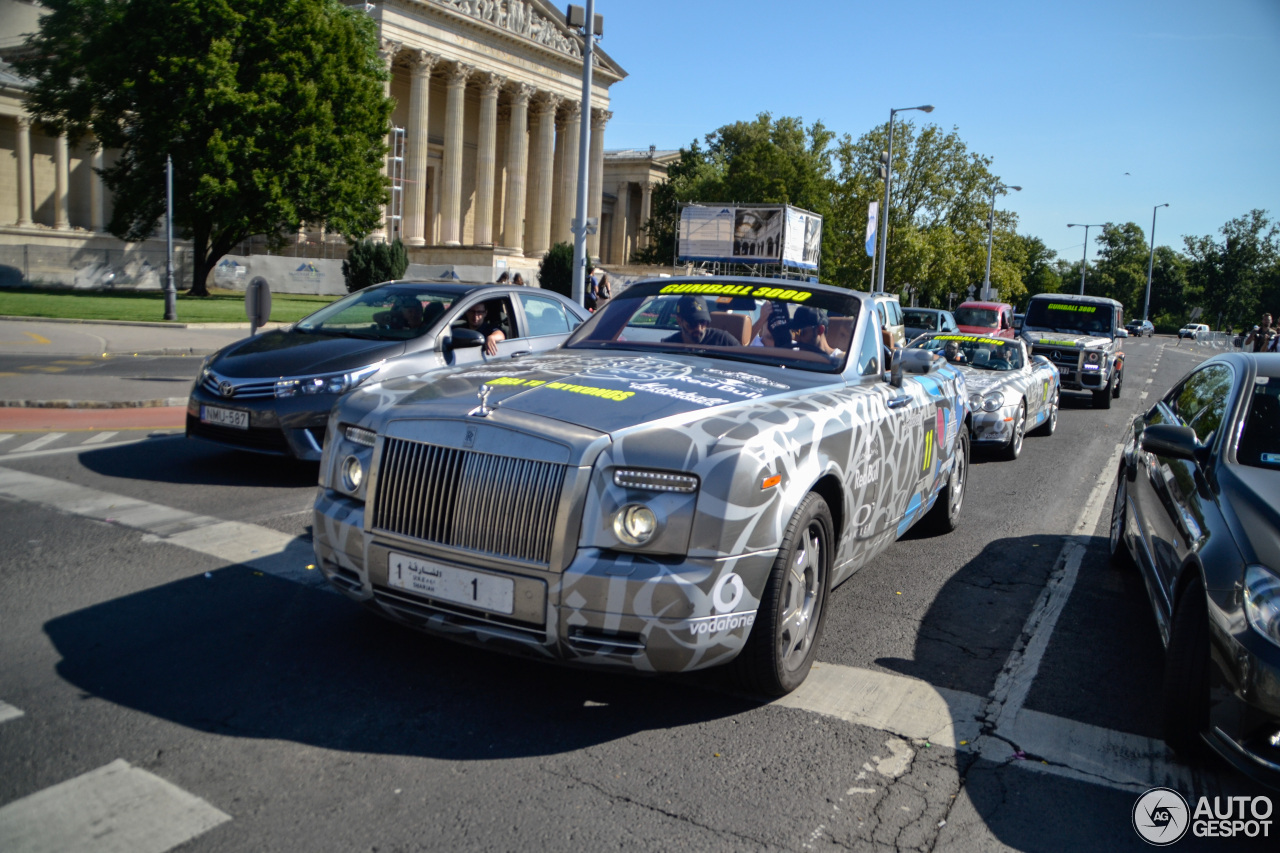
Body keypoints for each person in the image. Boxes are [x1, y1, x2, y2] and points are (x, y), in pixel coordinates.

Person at [662, 295, 740, 346]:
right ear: (679, 321)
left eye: (703, 322)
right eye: (692, 323)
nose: (698, 328)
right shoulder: (669, 345)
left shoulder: (724, 341)